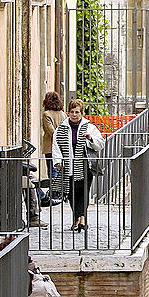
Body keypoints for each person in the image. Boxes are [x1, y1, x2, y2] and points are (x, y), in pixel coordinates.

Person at [51, 99, 105, 231]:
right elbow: (56, 145)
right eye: (72, 112)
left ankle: (82, 219)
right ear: (68, 113)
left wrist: (90, 138)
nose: (74, 115)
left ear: (82, 113)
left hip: (85, 166)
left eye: (77, 112)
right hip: (68, 166)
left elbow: (100, 144)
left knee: (83, 192)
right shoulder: (62, 128)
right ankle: (77, 218)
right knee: (71, 194)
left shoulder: (90, 127)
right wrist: (57, 161)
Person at [41, 91, 66, 180]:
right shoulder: (63, 114)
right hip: (62, 146)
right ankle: (59, 191)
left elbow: (51, 131)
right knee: (60, 171)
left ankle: (54, 192)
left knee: (52, 170)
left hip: (50, 146)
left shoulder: (46, 114)